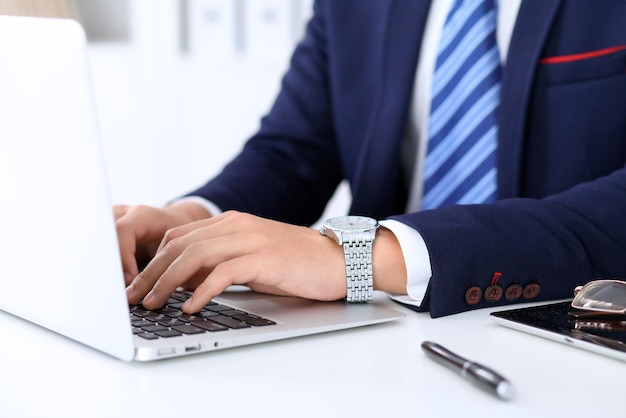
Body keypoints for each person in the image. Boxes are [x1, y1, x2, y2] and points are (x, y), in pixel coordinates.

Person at [117, 0, 626, 318]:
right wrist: (186, 224)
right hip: (379, 333)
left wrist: (355, 257)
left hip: (563, 333)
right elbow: (294, 151)